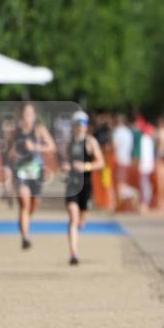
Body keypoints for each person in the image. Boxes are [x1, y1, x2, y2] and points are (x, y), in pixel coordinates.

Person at [8, 103, 56, 249]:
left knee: (34, 203)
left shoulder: (39, 129)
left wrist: (35, 147)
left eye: (30, 114)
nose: (27, 117)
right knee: (24, 203)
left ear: (34, 116)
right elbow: (9, 153)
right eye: (25, 114)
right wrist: (14, 154)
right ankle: (25, 237)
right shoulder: (16, 132)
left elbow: (52, 146)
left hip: (36, 171)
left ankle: (25, 221)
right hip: (21, 170)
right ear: (21, 116)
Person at [62, 111, 105, 265]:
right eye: (79, 124)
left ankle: (79, 228)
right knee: (73, 217)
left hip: (86, 186)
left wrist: (86, 166)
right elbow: (65, 161)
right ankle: (74, 253)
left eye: (84, 124)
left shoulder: (90, 142)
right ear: (73, 126)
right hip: (72, 185)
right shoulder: (69, 142)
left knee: (81, 220)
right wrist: (66, 166)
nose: (81, 127)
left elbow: (101, 162)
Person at [111, 114, 134, 204]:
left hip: (119, 159)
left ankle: (128, 196)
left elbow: (114, 146)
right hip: (127, 159)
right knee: (123, 180)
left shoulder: (117, 131)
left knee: (119, 181)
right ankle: (126, 198)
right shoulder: (128, 132)